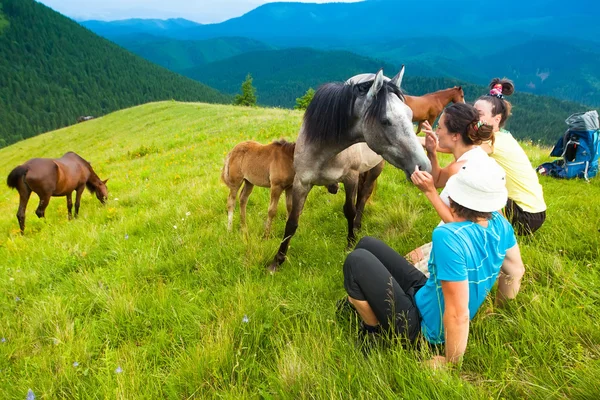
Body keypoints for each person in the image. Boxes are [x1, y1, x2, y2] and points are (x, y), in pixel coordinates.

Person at [341, 158, 525, 367]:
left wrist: (450, 361)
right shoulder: (500, 224)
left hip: (421, 328)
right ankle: (359, 299)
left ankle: (372, 331)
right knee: (366, 244)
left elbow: (458, 313)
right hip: (426, 295)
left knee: (356, 261)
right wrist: (498, 309)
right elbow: (515, 271)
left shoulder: (448, 236)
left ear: (454, 198)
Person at [406, 102, 497, 270]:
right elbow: (439, 179)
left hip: (458, 245)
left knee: (401, 272)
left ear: (455, 135)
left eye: (440, 128)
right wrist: (432, 152)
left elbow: (456, 222)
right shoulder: (475, 155)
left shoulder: (460, 169)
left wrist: (430, 191)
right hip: (470, 241)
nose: (436, 132)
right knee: (407, 259)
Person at [473, 78, 547, 235]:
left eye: (478, 114)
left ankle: (496, 232)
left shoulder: (493, 141)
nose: (473, 118)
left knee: (473, 183)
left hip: (525, 217)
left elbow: (460, 148)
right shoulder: (504, 136)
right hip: (534, 213)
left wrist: (414, 141)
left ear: (497, 119)